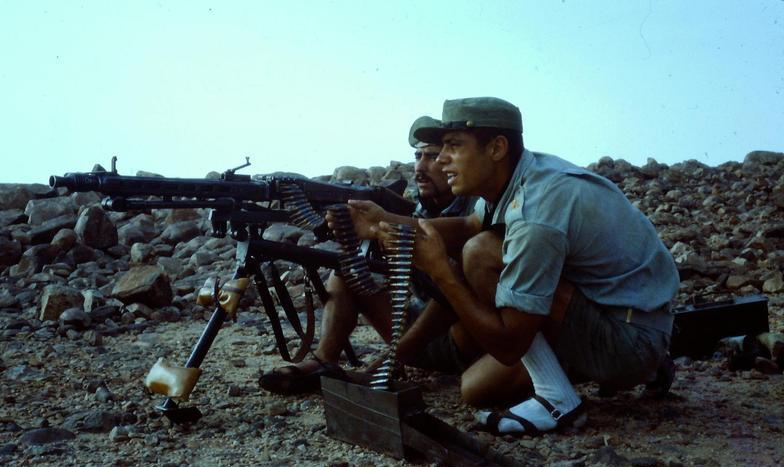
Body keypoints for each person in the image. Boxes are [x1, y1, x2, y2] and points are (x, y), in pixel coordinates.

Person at [346, 97, 679, 436]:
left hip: (628, 341)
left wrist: (441, 272)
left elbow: (509, 345)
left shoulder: (536, 210)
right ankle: (646, 368)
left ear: (497, 148)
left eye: (454, 146)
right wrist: (385, 221)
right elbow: (466, 226)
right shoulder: (521, 175)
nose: (441, 159)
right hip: (629, 320)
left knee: (480, 254)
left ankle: (558, 401)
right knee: (476, 389)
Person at [258, 116, 477, 394]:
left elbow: (450, 298)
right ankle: (325, 360)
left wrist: (386, 362)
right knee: (349, 270)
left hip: (463, 341)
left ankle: (376, 373)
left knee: (453, 282)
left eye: (432, 157)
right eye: (418, 156)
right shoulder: (420, 207)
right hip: (417, 338)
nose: (420, 167)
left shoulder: (476, 208)